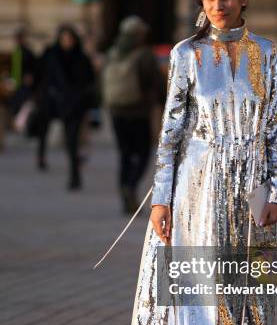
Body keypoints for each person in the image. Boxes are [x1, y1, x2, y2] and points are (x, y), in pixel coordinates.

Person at [129, 0, 277, 325]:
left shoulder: (268, 55)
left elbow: (276, 132)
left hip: (252, 190)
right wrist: (161, 199)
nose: (217, 5)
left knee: (256, 295)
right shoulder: (186, 55)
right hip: (196, 187)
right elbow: (171, 132)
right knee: (185, 288)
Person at [103, 16, 166, 214]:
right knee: (144, 152)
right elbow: (155, 83)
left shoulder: (112, 53)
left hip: (115, 111)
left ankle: (125, 191)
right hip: (138, 112)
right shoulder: (144, 55)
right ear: (138, 34)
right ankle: (130, 186)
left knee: (124, 153)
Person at [36, 25, 96, 188]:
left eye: (69, 38)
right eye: (64, 38)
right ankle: (41, 156)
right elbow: (43, 77)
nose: (67, 42)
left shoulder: (81, 58)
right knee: (45, 131)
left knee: (72, 141)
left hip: (75, 106)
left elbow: (90, 82)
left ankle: (74, 176)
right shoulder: (52, 56)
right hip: (55, 103)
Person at [9, 27, 38, 116]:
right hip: (16, 83)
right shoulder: (15, 52)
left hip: (25, 84)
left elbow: (34, 68)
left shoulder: (28, 53)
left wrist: (30, 76)